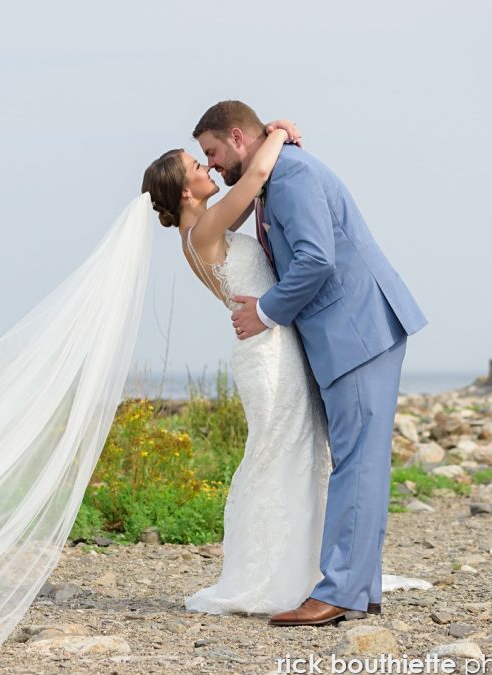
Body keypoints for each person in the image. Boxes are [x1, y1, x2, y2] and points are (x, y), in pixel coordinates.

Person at [192, 100, 428, 626]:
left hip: (358, 332)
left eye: (210, 152)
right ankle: (356, 588)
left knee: (357, 464)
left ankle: (340, 592)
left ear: (235, 136)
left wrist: (267, 313)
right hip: (348, 334)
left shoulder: (291, 174)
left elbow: (316, 258)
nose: (209, 164)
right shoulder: (274, 172)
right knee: (358, 462)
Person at [141, 121, 334, 616]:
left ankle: (302, 565)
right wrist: (280, 130)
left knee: (293, 451)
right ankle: (278, 574)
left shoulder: (202, 229)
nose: (207, 166)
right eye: (196, 165)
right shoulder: (202, 229)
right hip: (268, 354)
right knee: (281, 453)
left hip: (269, 347)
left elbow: (253, 189)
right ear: (185, 190)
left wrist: (266, 146)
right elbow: (256, 176)